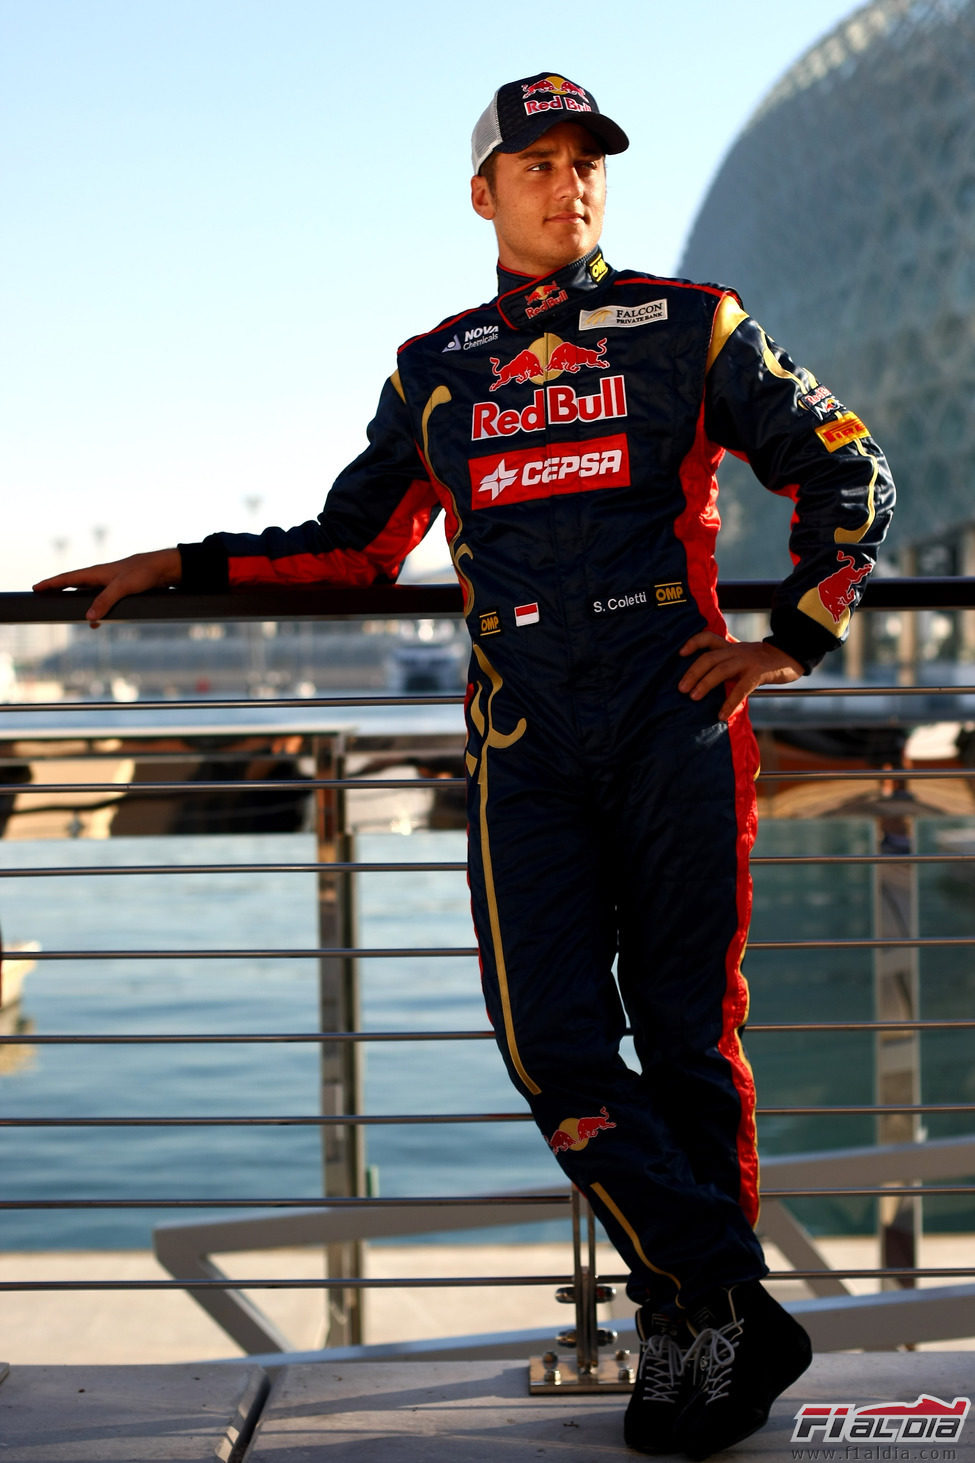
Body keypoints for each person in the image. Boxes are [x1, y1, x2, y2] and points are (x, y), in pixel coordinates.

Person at [35, 72, 894, 1458]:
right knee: (550, 1046)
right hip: (525, 751)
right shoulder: (437, 369)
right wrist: (178, 563)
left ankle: (692, 1336)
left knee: (689, 1040)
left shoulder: (692, 326)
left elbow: (847, 469)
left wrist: (790, 639)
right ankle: (729, 1291)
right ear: (485, 192)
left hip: (678, 728)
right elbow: (350, 548)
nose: (570, 184)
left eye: (588, 163)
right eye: (538, 162)